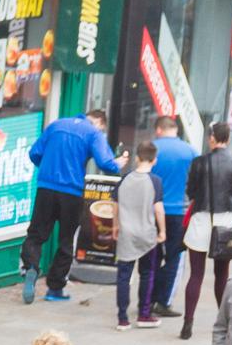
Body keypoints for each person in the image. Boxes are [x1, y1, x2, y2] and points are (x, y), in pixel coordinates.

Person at [18, 108, 126, 304]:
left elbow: (34, 153)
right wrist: (117, 163)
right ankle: (55, 289)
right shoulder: (93, 133)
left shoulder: (56, 125)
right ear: (100, 122)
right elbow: (106, 163)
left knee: (35, 234)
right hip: (72, 192)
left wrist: (49, 168)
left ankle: (31, 268)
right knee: (66, 240)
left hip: (46, 189)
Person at [178, 124, 232, 341]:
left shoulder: (199, 162)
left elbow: (191, 191)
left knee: (196, 274)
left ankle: (188, 323)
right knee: (222, 274)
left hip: (201, 218)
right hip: (225, 219)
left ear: (213, 138)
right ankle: (223, 322)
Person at [147, 114, 195, 316]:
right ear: (175, 129)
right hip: (178, 212)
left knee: (151, 257)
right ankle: (163, 301)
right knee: (174, 257)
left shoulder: (150, 149)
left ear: (159, 129)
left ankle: (146, 300)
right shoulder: (190, 151)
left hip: (151, 210)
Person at [113, 141, 162, 329]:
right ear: (154, 160)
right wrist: (163, 231)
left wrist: (115, 225)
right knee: (147, 273)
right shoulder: (155, 181)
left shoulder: (124, 179)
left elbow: (115, 205)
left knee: (123, 276)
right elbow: (158, 209)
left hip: (127, 233)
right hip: (147, 235)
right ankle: (144, 314)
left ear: (137, 158)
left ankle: (122, 318)